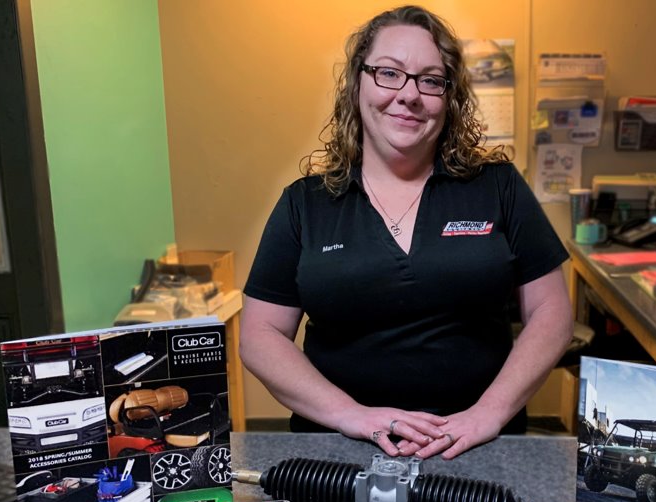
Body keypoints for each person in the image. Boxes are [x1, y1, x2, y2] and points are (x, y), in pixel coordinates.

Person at [240, 6, 572, 461]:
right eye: (389, 74)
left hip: (479, 448)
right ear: (358, 83)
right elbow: (260, 336)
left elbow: (552, 312)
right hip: (338, 450)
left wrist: (488, 414)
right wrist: (351, 414)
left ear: (448, 97)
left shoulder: (497, 186)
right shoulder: (305, 204)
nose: (410, 95)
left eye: (431, 80)